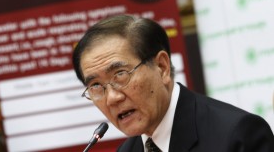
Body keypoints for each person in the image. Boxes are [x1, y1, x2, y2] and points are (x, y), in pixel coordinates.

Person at [72, 14, 274, 152]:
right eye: (96, 86)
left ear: (162, 67)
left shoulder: (236, 135)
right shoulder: (127, 150)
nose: (113, 98)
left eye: (120, 75)